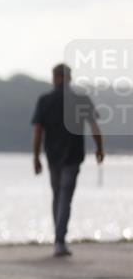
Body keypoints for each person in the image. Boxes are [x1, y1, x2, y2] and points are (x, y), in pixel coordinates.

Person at [31, 63, 104, 257]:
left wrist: (36, 157)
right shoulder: (81, 99)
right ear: (69, 78)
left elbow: (38, 132)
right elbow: (94, 126)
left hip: (53, 157)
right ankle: (59, 240)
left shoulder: (45, 101)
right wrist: (100, 148)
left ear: (55, 77)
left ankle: (59, 239)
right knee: (65, 198)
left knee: (57, 196)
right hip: (72, 156)